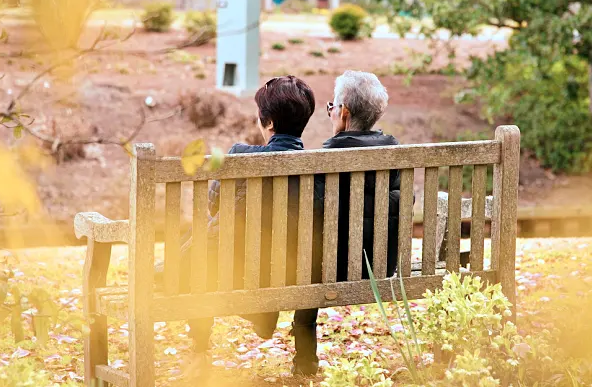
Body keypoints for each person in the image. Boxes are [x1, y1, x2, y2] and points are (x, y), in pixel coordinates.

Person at [155, 75, 316, 376]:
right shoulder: (320, 167)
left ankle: (200, 352)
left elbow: (216, 207)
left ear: (268, 123)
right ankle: (303, 359)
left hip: (238, 272)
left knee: (202, 246)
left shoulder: (242, 156)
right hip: (297, 272)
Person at [292, 70, 405, 375]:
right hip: (381, 265)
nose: (330, 113)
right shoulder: (394, 153)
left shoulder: (324, 159)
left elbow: (311, 217)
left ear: (343, 113)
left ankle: (305, 365)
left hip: (330, 269)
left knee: (306, 265)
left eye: (331, 107)